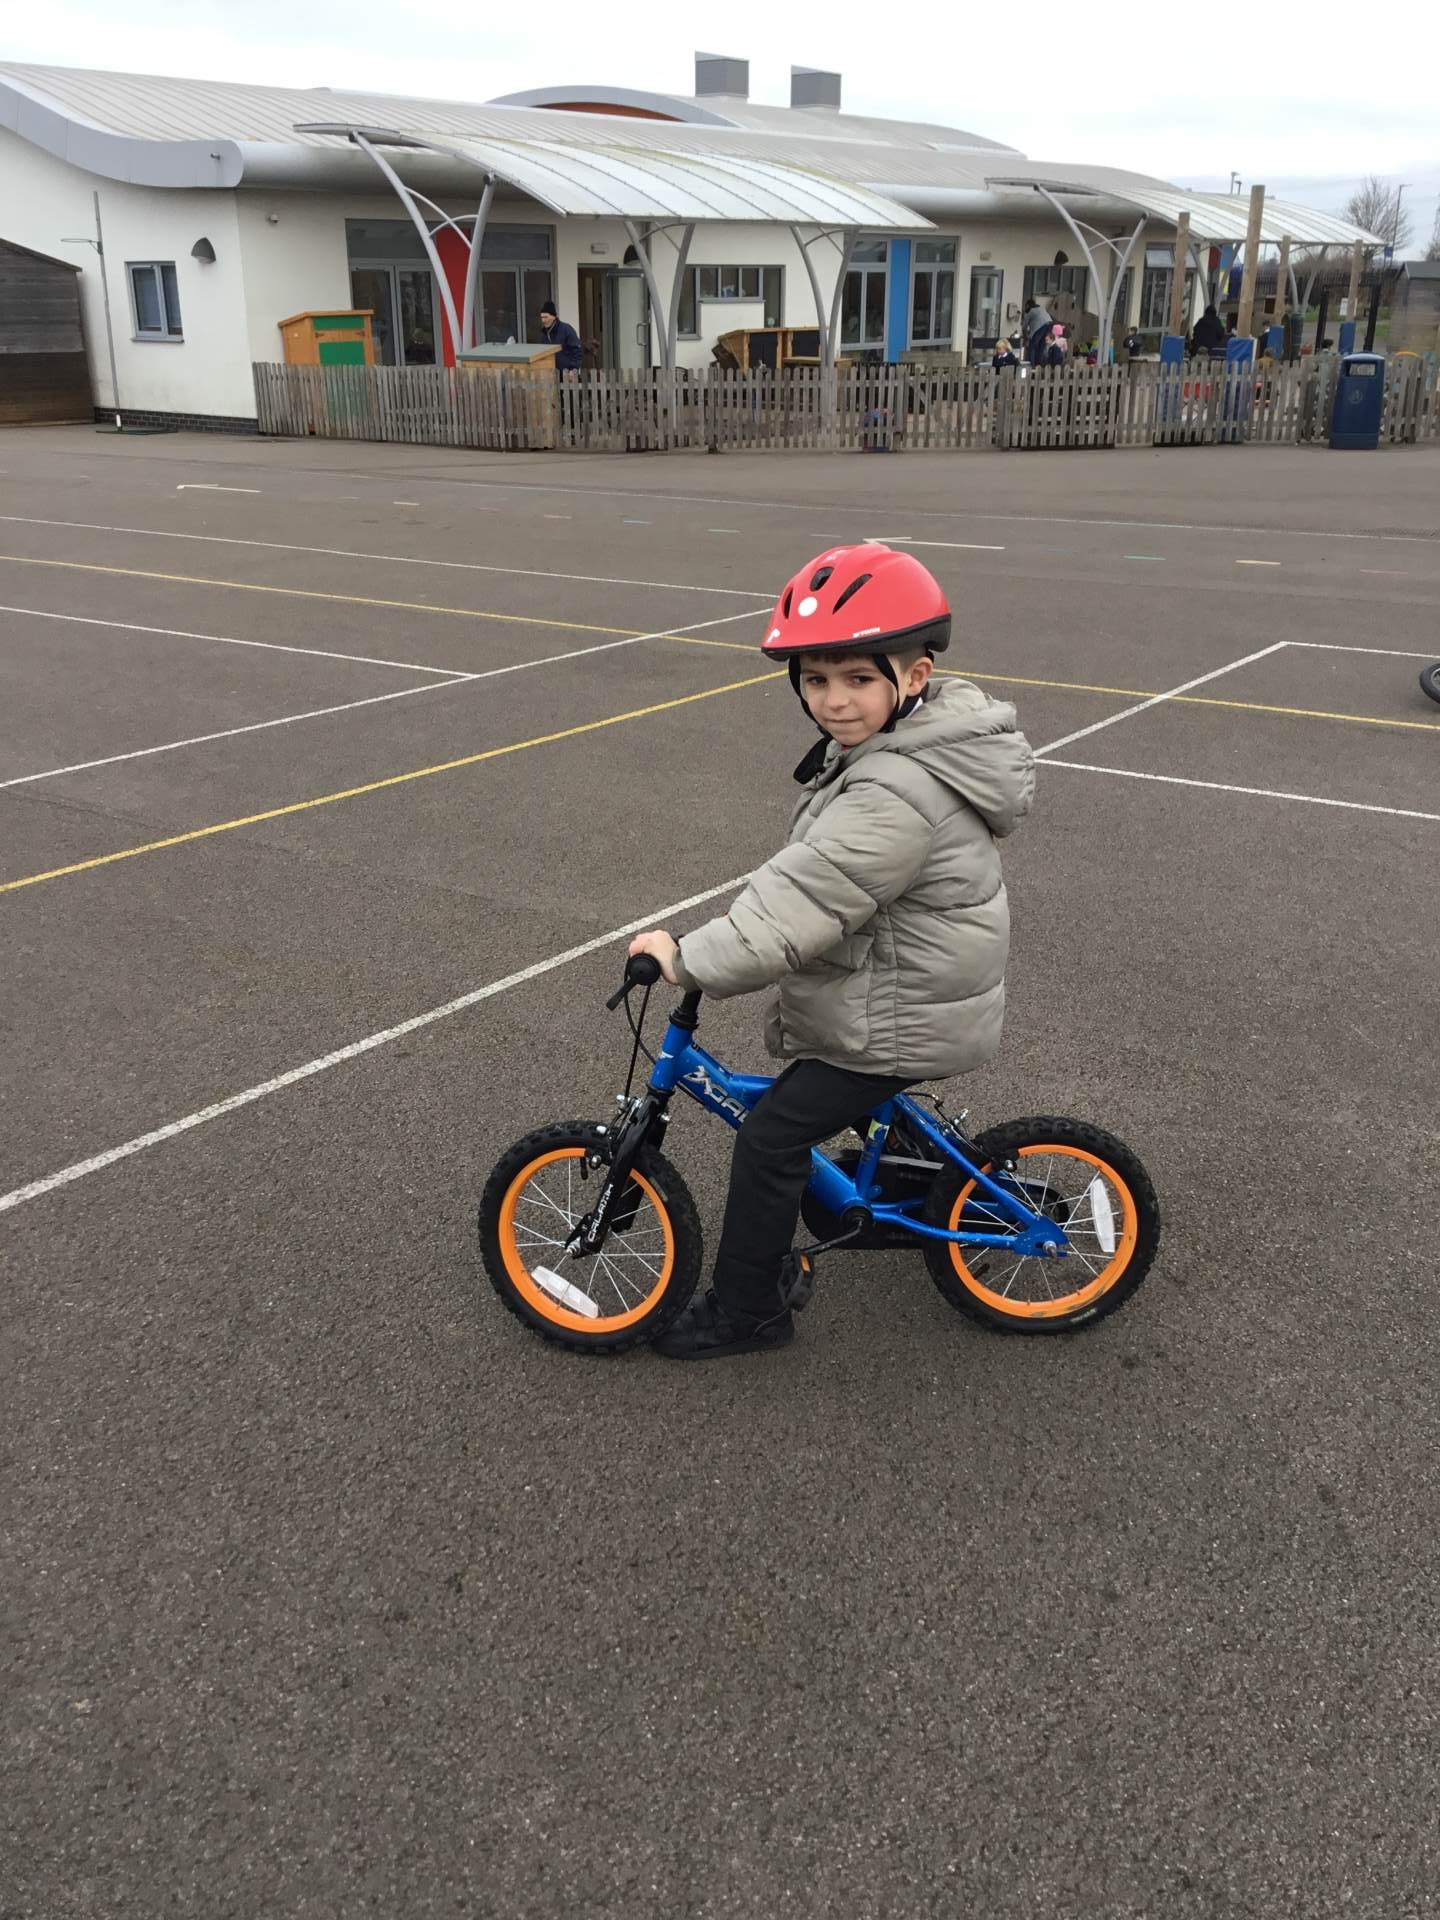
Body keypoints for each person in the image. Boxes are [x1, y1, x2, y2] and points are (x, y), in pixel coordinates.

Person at [627, 544, 1034, 1359]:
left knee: (770, 1137)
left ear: (915, 677)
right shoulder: (900, 747)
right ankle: (900, 1174)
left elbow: (803, 903)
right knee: (818, 1106)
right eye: (815, 679)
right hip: (907, 984)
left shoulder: (895, 793)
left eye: (855, 678)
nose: (834, 701)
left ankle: (750, 1312)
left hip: (903, 1013)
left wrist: (688, 958)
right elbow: (812, 877)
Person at [537, 303, 583, 372]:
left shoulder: (566, 329)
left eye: (546, 317)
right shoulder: (544, 334)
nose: (543, 320)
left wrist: (573, 369)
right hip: (551, 374)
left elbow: (577, 350)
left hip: (567, 373)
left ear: (553, 317)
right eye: (542, 317)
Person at [1024, 297, 1053, 364]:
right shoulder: (1041, 308)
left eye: (1025, 306)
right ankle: (1039, 364)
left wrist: (1025, 337)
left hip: (1040, 326)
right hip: (1049, 324)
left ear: (1028, 305)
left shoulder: (1031, 311)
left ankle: (1031, 365)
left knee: (1032, 346)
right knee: (1041, 346)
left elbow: (1024, 326)